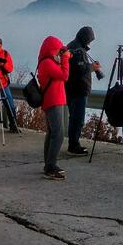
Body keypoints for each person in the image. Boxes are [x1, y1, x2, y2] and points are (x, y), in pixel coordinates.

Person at [65, 26, 104, 155]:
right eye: (89, 40)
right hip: (78, 90)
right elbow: (79, 70)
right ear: (85, 38)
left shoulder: (72, 46)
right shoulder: (78, 50)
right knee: (77, 119)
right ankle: (74, 146)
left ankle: (73, 143)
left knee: (74, 118)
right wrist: (92, 67)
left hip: (70, 89)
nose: (90, 42)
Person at [37, 36, 71, 181]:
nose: (59, 52)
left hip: (57, 100)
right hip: (53, 101)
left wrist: (63, 56)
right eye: (58, 50)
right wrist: (65, 59)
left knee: (51, 133)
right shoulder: (46, 63)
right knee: (58, 133)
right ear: (52, 49)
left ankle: (48, 165)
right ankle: (51, 166)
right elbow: (65, 75)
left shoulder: (49, 61)